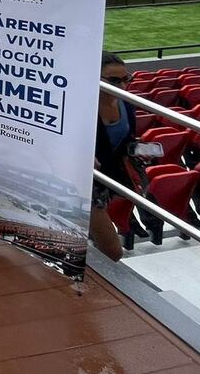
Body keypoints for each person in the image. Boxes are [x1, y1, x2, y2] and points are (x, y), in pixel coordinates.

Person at [90, 51, 137, 262]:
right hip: (83, 185)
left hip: (106, 183)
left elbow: (125, 140)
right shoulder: (78, 106)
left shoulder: (125, 104)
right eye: (115, 80)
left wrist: (138, 150)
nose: (123, 86)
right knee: (113, 251)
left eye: (126, 79)